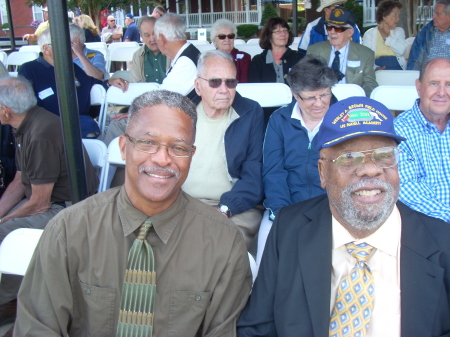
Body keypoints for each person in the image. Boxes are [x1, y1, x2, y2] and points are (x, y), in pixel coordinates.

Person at [15, 90, 252, 337]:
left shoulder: (223, 242)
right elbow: (38, 328)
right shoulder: (68, 231)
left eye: (178, 147)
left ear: (191, 156)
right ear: (123, 148)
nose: (162, 159)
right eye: (147, 142)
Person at [237, 96, 450, 337]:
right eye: (349, 158)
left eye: (384, 155)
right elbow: (257, 327)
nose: (371, 169)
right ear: (322, 173)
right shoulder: (289, 229)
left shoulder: (442, 243)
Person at [0, 76, 98, 329]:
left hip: (67, 208)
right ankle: (11, 298)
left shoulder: (41, 132)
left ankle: (8, 300)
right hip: (51, 203)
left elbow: (39, 203)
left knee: (5, 232)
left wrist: (3, 221)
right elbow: (19, 181)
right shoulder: (26, 124)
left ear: (5, 110)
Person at [256, 55, 337, 266]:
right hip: (286, 206)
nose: (319, 103)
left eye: (325, 95)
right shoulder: (279, 120)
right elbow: (273, 172)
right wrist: (283, 215)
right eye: (310, 98)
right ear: (294, 94)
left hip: (331, 208)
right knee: (267, 260)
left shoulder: (341, 120)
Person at [183, 50, 264, 249]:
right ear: (198, 86)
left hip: (236, 208)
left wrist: (225, 209)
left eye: (230, 82)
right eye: (214, 82)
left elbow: (254, 174)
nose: (224, 89)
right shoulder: (181, 112)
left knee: (222, 244)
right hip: (183, 203)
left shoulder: (250, 113)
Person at [18, 28, 128, 138]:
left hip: (78, 121)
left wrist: (109, 82)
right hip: (47, 126)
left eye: (68, 43)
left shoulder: (70, 67)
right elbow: (25, 106)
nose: (68, 48)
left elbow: (92, 83)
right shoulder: (29, 70)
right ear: (46, 49)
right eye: (62, 44)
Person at [394, 57, 450, 223]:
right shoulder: (398, 131)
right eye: (434, 83)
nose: (441, 92)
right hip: (428, 229)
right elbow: (408, 190)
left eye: (449, 84)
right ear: (419, 87)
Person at [307, 8, 378, 96]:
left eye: (338, 29)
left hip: (351, 101)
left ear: (350, 32)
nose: (332, 32)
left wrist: (358, 103)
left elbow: (370, 85)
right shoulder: (314, 51)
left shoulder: (366, 54)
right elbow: (307, 80)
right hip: (321, 101)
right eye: (329, 27)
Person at [154, 13, 201, 99]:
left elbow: (161, 100)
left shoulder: (186, 63)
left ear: (162, 38)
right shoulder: (189, 53)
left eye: (155, 37)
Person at [249, 17, 302, 84]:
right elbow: (255, 87)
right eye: (278, 31)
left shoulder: (299, 58)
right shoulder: (258, 61)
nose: (283, 34)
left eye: (285, 31)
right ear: (269, 36)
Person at [363, 0, 407, 70]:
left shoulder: (399, 31)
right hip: (379, 70)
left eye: (398, 15)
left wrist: (387, 38)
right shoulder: (369, 34)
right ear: (384, 16)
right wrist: (375, 68)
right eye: (395, 15)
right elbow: (366, 58)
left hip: (398, 70)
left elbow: (401, 51)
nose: (398, 19)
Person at [407, 0, 450, 70]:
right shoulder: (425, 33)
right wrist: (412, 77)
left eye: (438, 14)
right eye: (434, 13)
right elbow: (414, 60)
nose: (433, 17)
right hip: (428, 77)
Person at [129, 16, 169, 83]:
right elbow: (135, 84)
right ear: (142, 37)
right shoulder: (138, 56)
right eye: (147, 35)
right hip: (146, 93)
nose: (152, 39)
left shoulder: (172, 52)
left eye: (155, 33)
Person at [211, 19, 251, 83]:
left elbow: (244, 84)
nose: (227, 39)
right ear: (214, 41)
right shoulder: (208, 59)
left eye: (230, 36)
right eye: (222, 36)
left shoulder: (244, 58)